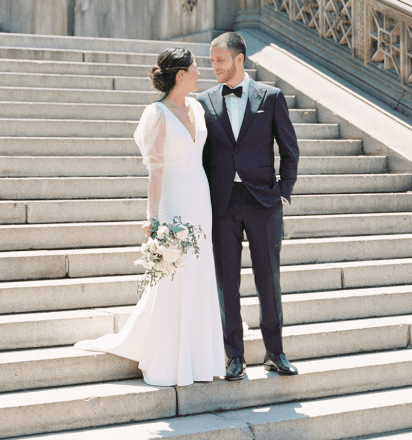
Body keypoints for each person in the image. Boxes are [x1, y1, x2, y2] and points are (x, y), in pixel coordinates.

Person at [74, 47, 225, 387]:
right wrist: (152, 219)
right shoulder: (156, 113)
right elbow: (155, 173)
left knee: (199, 274)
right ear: (180, 75)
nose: (200, 74)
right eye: (195, 69)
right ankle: (169, 357)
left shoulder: (198, 108)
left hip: (200, 201)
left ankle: (200, 359)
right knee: (173, 275)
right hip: (174, 201)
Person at [197, 32, 300, 381]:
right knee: (226, 281)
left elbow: (290, 151)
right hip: (223, 203)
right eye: (211, 62)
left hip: (263, 202)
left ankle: (275, 352)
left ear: (239, 60)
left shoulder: (271, 98)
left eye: (219, 61)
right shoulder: (203, 101)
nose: (214, 67)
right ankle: (234, 355)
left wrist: (282, 192)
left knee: (268, 279)